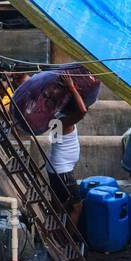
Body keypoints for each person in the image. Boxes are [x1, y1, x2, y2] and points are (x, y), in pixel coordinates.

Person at [46, 72, 93, 229]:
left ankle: (56, 236)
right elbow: (83, 111)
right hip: (62, 170)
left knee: (59, 206)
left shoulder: (55, 116)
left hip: (56, 166)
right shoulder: (64, 120)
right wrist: (72, 88)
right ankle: (68, 242)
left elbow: (56, 140)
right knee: (76, 207)